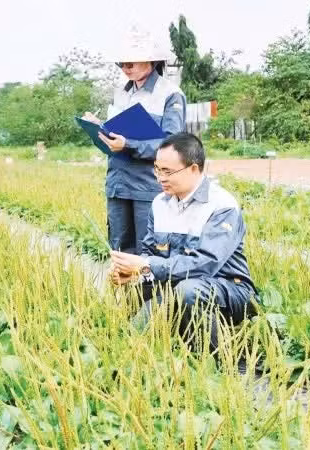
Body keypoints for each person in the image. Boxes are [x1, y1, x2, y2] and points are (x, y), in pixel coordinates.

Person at [109, 133, 256, 352]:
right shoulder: (159, 203)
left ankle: (217, 358)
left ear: (194, 169)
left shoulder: (222, 206)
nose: (160, 178)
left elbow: (205, 264)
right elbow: (150, 253)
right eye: (157, 169)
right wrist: (134, 272)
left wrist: (147, 266)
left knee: (188, 289)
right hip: (178, 284)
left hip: (228, 288)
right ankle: (142, 344)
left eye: (168, 171)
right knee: (135, 282)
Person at [83, 26, 187, 255]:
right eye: (122, 64)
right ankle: (124, 293)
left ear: (151, 61)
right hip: (118, 184)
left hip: (148, 187)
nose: (125, 68)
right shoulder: (121, 93)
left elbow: (173, 145)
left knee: (149, 252)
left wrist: (128, 144)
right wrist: (98, 129)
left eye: (131, 63)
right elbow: (114, 137)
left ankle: (150, 293)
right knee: (119, 249)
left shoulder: (169, 94)